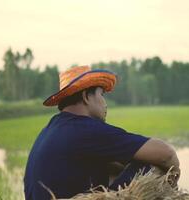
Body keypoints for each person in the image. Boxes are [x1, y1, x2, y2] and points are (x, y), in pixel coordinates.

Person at [24, 65, 180, 199]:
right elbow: (166, 155)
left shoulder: (53, 127)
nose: (105, 104)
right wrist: (173, 182)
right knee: (149, 166)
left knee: (110, 165)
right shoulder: (85, 129)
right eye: (102, 95)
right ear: (86, 97)